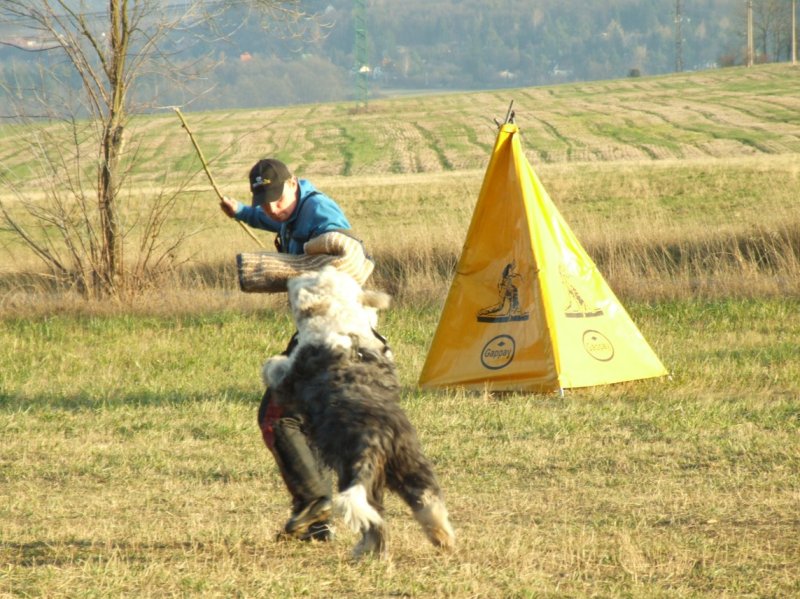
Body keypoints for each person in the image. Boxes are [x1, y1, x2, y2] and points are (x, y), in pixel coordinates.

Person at [220, 158, 365, 542]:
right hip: (330, 329)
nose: (272, 209)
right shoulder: (287, 209)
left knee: (277, 417)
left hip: (331, 332)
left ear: (294, 184)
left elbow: (346, 259)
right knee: (307, 422)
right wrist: (242, 213)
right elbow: (273, 220)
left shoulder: (319, 211)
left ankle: (315, 503)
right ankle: (316, 525)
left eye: (276, 200)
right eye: (263, 201)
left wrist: (284, 267)